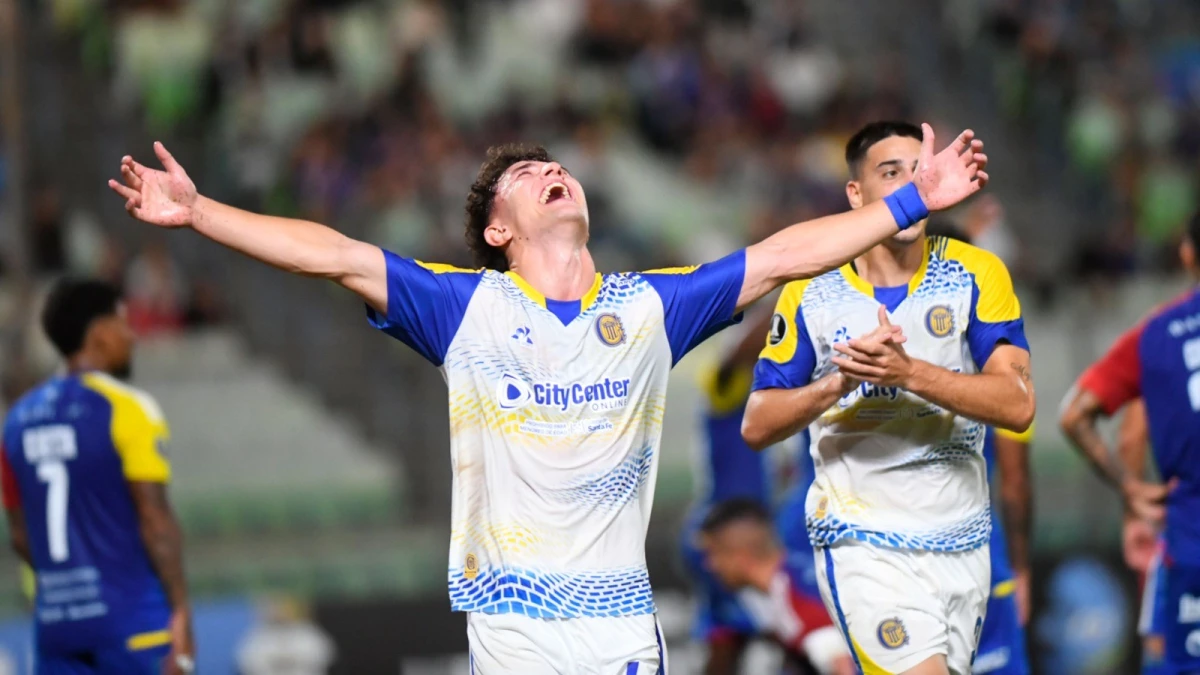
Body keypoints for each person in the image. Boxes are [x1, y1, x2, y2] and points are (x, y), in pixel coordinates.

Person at [107, 125, 988, 673]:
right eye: (527, 174)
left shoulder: (648, 307)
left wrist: (914, 198)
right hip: (515, 620)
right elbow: (333, 253)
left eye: (556, 164)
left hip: (620, 621)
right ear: (499, 229)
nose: (552, 170)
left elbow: (785, 254)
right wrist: (201, 214)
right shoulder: (466, 308)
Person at [742, 120, 1033, 675]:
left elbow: (1018, 405)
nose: (908, 185)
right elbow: (757, 423)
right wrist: (839, 382)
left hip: (964, 544)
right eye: (890, 172)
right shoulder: (812, 288)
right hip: (863, 543)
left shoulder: (976, 272)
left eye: (918, 172)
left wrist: (909, 372)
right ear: (857, 194)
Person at [0, 280, 193, 675]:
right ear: (99, 333)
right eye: (123, 323)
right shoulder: (127, 409)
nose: (132, 336)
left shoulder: (15, 422)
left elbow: (20, 536)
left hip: (57, 627)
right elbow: (155, 521)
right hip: (132, 624)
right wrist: (180, 613)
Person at [1058, 212, 1200, 674]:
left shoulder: (1156, 334)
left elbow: (1084, 416)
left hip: (1188, 539)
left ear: (1186, 253)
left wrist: (1131, 494)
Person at [680, 310, 819, 674]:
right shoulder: (728, 385)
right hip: (730, 532)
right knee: (743, 633)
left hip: (768, 531)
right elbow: (739, 356)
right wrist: (799, 294)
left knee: (759, 634)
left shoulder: (799, 391)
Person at [699, 499, 855, 675]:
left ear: (740, 555)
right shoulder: (775, 589)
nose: (709, 565)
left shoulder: (797, 595)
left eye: (712, 553)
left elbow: (844, 666)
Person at [973, 427, 1033, 675]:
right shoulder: (1009, 387)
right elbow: (1015, 481)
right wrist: (1020, 568)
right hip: (982, 560)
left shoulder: (866, 389)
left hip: (888, 562)